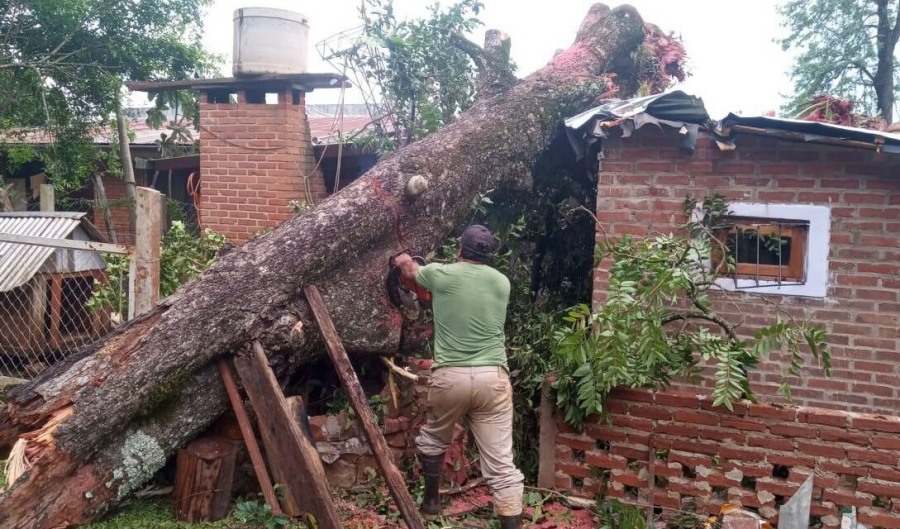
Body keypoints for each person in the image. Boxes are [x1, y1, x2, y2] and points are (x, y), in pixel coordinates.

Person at [393, 224, 524, 529]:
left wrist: (400, 258)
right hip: (493, 378)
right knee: (502, 466)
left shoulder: (441, 274)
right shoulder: (502, 282)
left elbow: (410, 271)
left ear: (460, 249)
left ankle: (431, 504)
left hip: (450, 376)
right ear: (489, 254)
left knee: (433, 438)